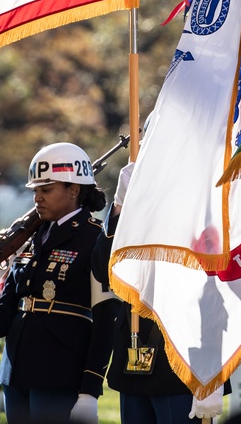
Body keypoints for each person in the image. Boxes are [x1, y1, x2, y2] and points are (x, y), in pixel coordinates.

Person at [0, 142, 115, 424]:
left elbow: (105, 320)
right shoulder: (32, 238)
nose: (37, 198)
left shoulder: (95, 239)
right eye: (35, 191)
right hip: (16, 370)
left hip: (59, 373)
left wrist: (90, 389)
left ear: (74, 190)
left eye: (46, 190)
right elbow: (7, 311)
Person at [91, 160, 225, 422]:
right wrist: (119, 209)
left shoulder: (204, 205)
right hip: (135, 348)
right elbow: (102, 269)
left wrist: (212, 371)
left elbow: (216, 289)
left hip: (182, 361)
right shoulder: (137, 209)